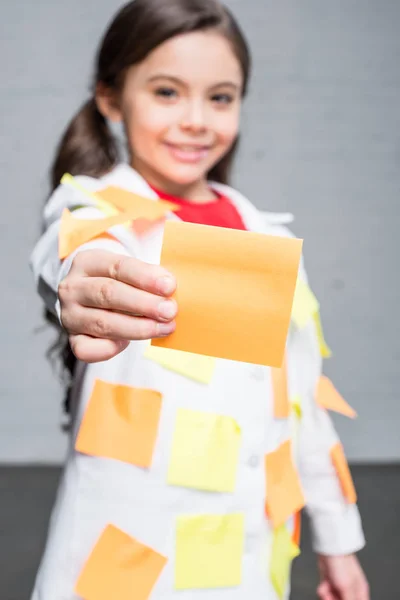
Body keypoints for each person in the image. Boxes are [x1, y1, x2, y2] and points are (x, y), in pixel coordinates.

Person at [30, 1, 369, 599]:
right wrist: (77, 286)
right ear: (111, 98)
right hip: (126, 560)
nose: (196, 120)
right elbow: (72, 251)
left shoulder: (269, 236)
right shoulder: (99, 212)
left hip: (247, 557)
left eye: (220, 97)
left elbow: (302, 400)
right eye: (166, 92)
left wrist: (338, 539)